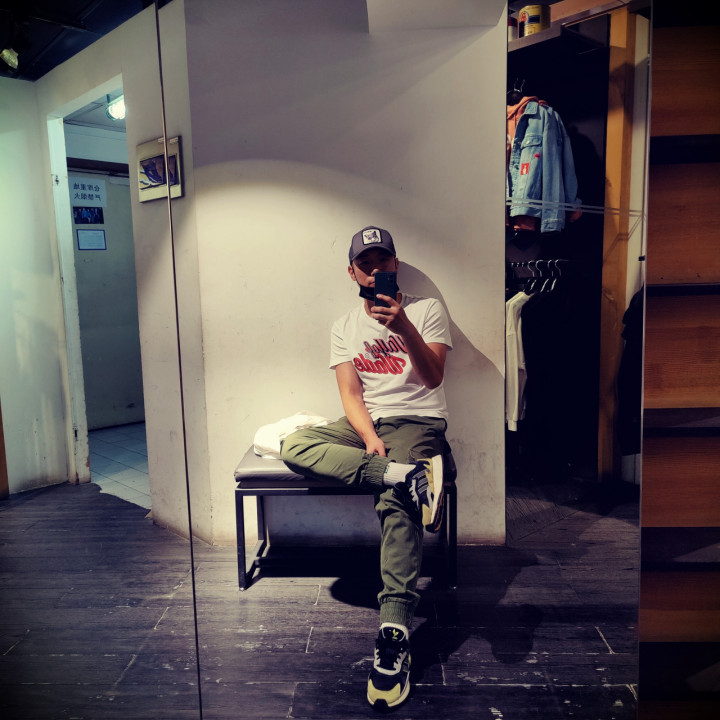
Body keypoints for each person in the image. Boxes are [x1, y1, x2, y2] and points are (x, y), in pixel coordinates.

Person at [280, 226, 453, 710]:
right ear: (352, 272)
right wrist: (372, 441)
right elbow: (351, 395)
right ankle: (403, 475)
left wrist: (404, 328)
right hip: (367, 425)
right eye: (366, 263)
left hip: (418, 422)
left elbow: (433, 377)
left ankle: (393, 633)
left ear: (396, 264)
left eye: (384, 261)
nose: (376, 270)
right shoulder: (343, 326)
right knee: (296, 445)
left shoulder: (426, 309)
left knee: (396, 505)